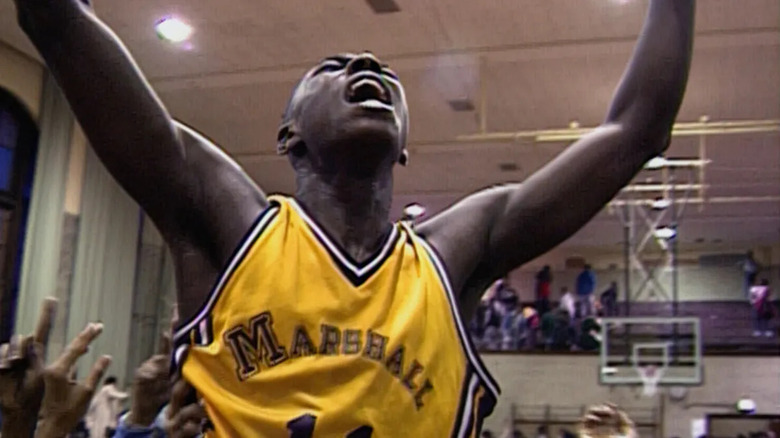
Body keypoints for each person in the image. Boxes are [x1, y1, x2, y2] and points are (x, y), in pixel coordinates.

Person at [11, 0, 695, 434]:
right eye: (332, 67)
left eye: (381, 71)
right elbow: (54, 17)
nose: (366, 62)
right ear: (289, 136)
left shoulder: (453, 253)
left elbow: (638, 130)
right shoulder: (228, 220)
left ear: (405, 145)